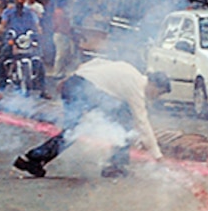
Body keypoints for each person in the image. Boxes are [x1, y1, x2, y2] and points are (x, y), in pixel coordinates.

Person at [13, 58, 170, 178]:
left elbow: (95, 62)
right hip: (83, 91)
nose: (156, 97)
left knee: (116, 121)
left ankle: (116, 164)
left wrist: (70, 77)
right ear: (154, 85)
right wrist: (158, 157)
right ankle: (32, 158)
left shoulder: (129, 69)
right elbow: (142, 124)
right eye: (159, 93)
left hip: (76, 84)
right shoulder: (136, 89)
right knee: (73, 131)